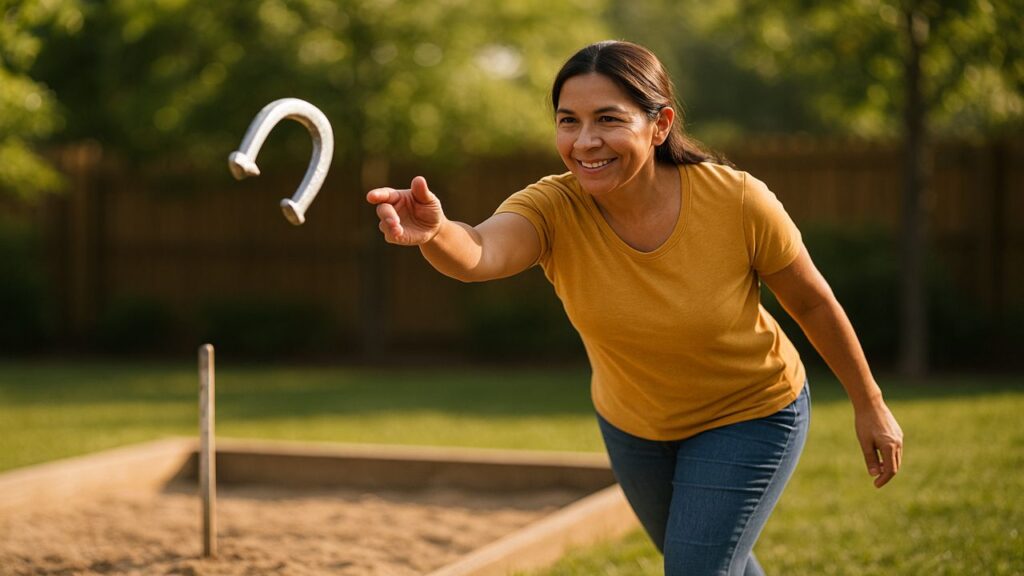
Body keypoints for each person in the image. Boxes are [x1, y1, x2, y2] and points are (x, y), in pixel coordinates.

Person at [366, 40, 904, 576]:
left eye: (607, 119)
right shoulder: (554, 208)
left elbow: (811, 300)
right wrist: (436, 232)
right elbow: (480, 253)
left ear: (661, 123)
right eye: (568, 121)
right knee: (713, 563)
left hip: (750, 411)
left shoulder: (737, 200)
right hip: (633, 426)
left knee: (697, 568)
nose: (585, 141)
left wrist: (869, 402)